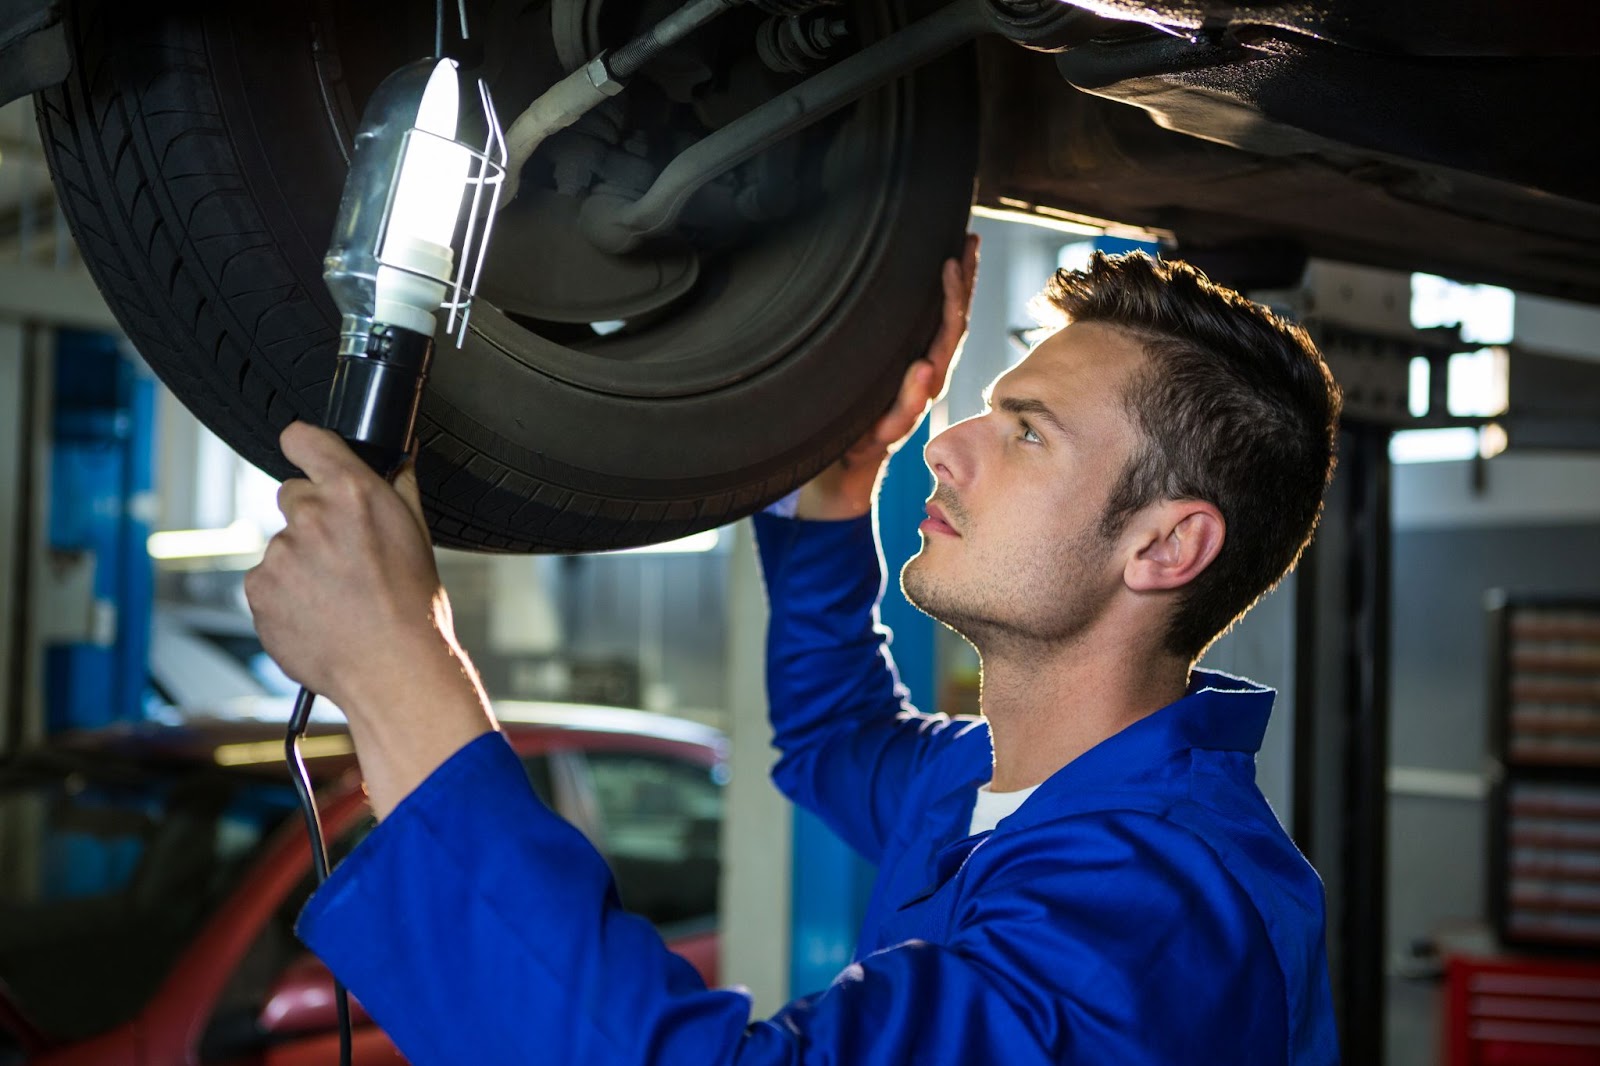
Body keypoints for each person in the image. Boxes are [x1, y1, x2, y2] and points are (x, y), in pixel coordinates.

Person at [245, 238, 1342, 1064]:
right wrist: (838, 494)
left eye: (1025, 429)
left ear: (1164, 544)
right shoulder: (988, 782)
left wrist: (402, 669)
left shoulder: (1160, 909)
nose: (948, 443)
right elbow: (834, 734)